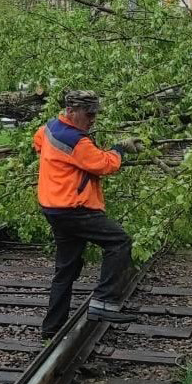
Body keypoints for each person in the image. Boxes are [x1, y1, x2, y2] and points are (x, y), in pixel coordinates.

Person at [34, 90, 144, 338]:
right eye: (88, 114)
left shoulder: (50, 128)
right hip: (74, 209)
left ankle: (51, 328)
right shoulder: (76, 140)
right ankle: (104, 302)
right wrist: (120, 148)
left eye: (95, 113)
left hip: (53, 207)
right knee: (119, 242)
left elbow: (38, 143)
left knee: (66, 269)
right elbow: (106, 164)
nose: (93, 118)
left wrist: (61, 168)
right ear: (71, 112)